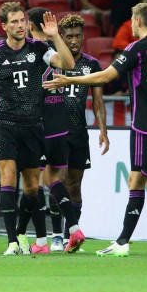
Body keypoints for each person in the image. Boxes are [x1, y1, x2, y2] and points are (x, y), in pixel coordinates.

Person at [44, 2, 147, 258]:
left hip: (143, 125)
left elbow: (105, 76)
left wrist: (70, 79)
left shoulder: (136, 49)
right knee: (135, 180)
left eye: (131, 20)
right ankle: (122, 242)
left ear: (137, 20)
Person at [0, 2, 84, 255]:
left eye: (22, 21)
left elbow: (68, 64)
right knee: (8, 177)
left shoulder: (39, 48)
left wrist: (55, 37)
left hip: (33, 125)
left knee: (32, 187)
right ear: (4, 26)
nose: (20, 26)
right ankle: (11, 243)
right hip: (3, 123)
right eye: (15, 22)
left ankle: (22, 234)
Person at [27, 13, 109, 250]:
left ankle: (69, 236)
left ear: (83, 36)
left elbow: (98, 101)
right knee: (57, 180)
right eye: (69, 36)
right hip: (56, 130)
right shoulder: (51, 59)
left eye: (77, 36)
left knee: (75, 184)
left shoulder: (92, 64)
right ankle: (55, 234)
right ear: (61, 36)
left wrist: (102, 130)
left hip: (79, 131)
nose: (73, 41)